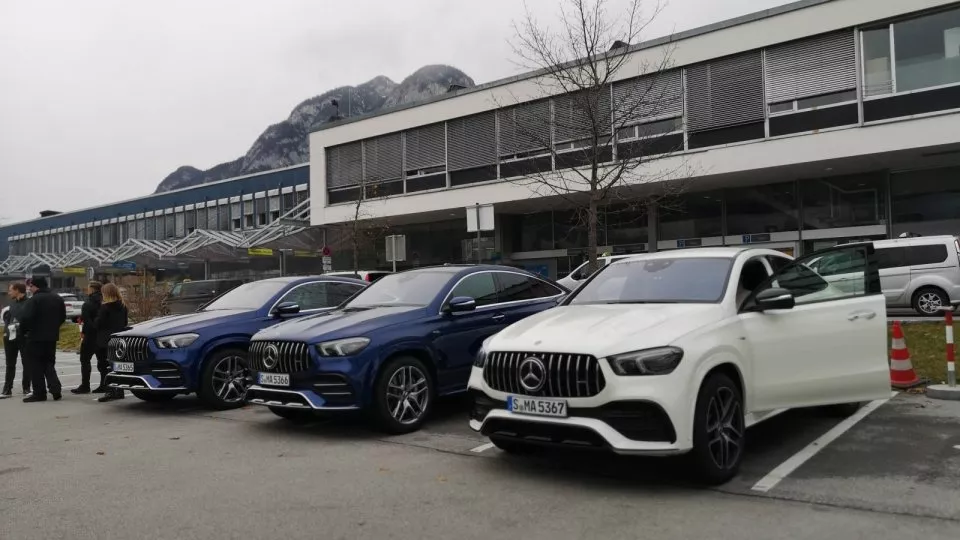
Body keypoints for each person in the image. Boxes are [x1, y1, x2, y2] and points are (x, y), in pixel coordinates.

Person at [18, 277, 66, 402]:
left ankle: (39, 393)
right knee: (49, 363)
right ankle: (55, 389)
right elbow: (62, 317)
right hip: (51, 337)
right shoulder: (57, 298)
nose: (30, 289)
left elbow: (26, 319)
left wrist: (23, 332)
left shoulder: (34, 300)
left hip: (35, 337)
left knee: (36, 365)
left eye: (31, 286)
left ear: (36, 287)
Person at [96, 283, 128, 402]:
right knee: (116, 366)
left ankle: (110, 391)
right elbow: (124, 322)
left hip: (105, 340)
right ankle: (119, 390)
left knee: (105, 366)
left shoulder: (105, 307)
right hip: (118, 338)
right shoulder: (123, 306)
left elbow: (99, 324)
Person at [72, 281, 104, 394]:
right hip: (102, 336)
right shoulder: (104, 302)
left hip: (90, 336)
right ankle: (103, 385)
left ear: (92, 289)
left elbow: (87, 321)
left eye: (88, 288)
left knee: (85, 360)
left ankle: (85, 385)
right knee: (103, 361)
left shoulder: (88, 304)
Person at [2, 282, 31, 397]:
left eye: (10, 290)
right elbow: (8, 320)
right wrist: (6, 332)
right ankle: (7, 389)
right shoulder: (12, 304)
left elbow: (30, 320)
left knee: (27, 363)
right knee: (10, 364)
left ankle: (26, 388)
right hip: (10, 338)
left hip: (24, 338)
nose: (9, 293)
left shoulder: (29, 303)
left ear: (17, 290)